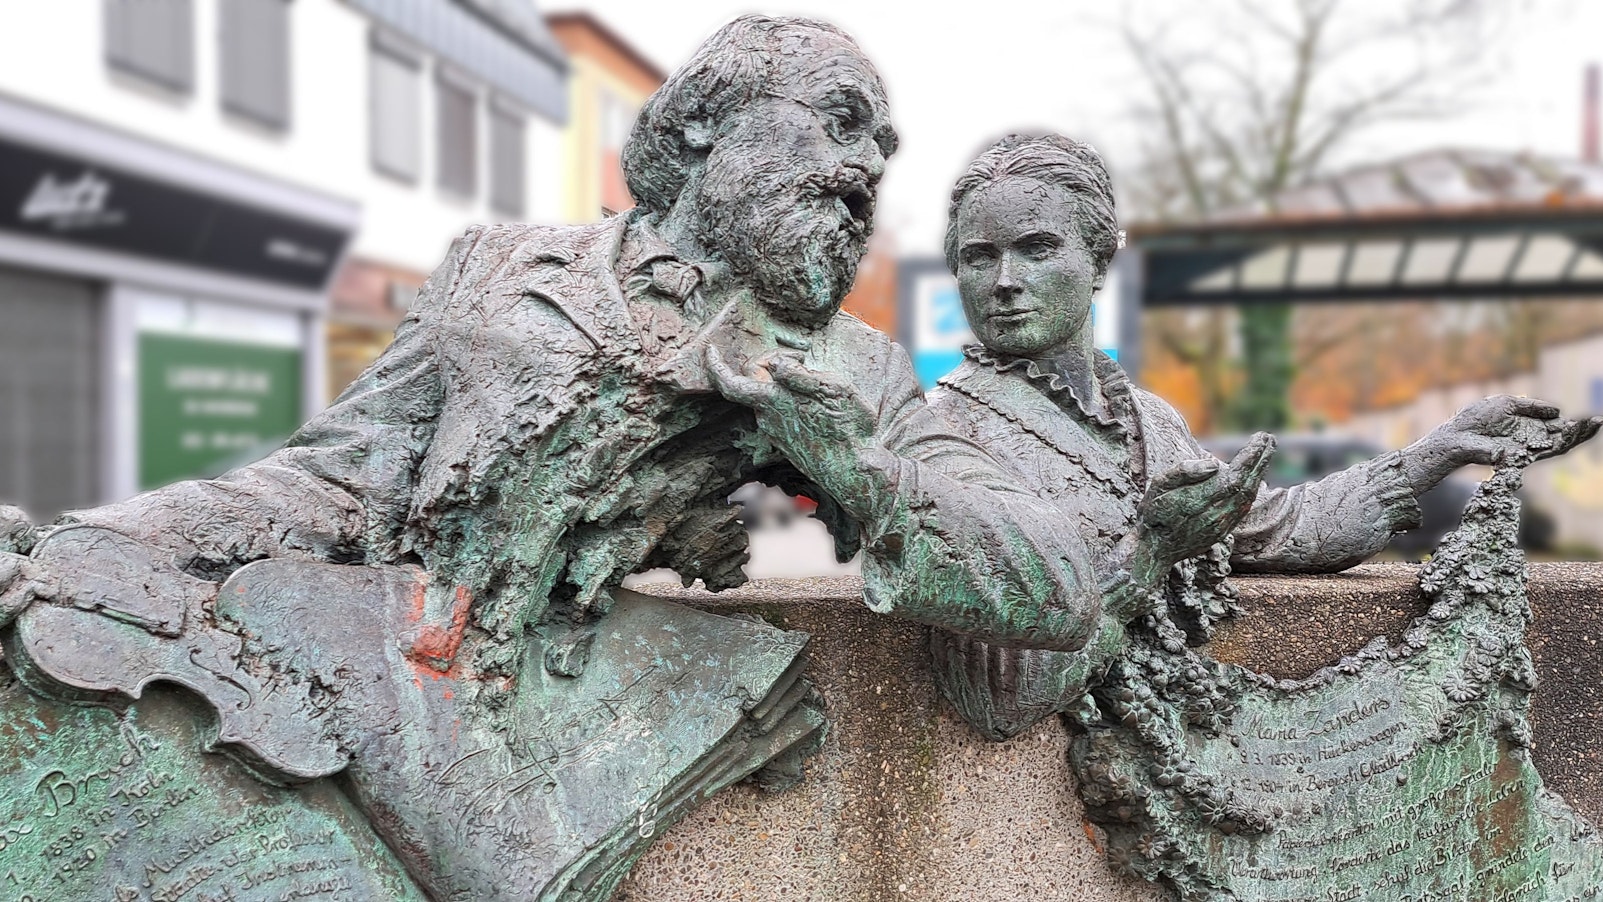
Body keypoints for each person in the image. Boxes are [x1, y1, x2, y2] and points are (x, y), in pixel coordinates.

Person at [0, 22, 1138, 902]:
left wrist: (859, 471)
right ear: (704, 129)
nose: (866, 170)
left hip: (521, 714)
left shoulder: (852, 363)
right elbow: (328, 479)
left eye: (882, 152)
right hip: (350, 643)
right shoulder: (493, 271)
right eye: (841, 125)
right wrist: (91, 539)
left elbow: (1051, 584)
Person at [926, 133, 1603, 741]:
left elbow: (1277, 529)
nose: (1005, 282)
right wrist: (1150, 552)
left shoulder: (1148, 419)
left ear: (1098, 262)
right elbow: (999, 698)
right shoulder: (942, 438)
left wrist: (1439, 451)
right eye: (979, 258)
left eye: (1035, 249)